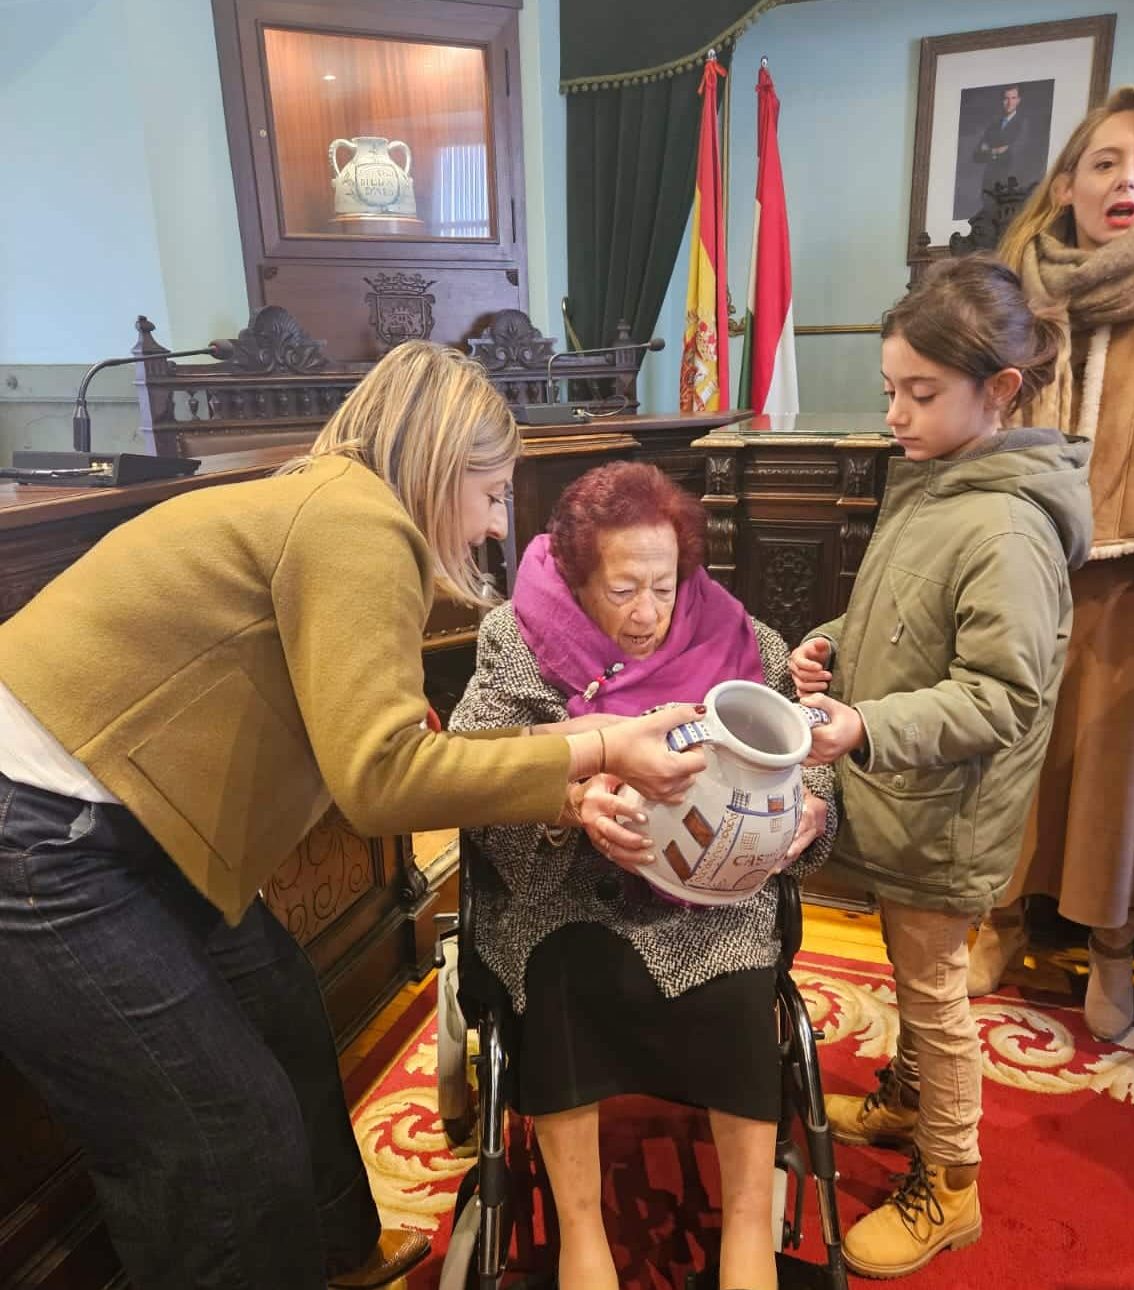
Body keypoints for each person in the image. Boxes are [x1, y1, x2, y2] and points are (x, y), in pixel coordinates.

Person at [0, 343, 707, 1290]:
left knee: (284, 1008)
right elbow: (381, 782)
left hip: (111, 815)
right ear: (439, 461)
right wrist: (603, 746)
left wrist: (568, 783)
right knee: (219, 1139)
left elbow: (381, 750)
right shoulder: (361, 524)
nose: (500, 527)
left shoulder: (331, 501)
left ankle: (336, 1256)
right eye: (494, 492)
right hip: (42, 831)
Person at [448, 461, 838, 1290]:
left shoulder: (733, 634)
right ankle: (582, 1235)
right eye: (624, 590)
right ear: (577, 575)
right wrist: (571, 807)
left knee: (740, 984)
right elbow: (471, 774)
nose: (649, 614)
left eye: (664, 586)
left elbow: (803, 740)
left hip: (711, 899)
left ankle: (744, 1238)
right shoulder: (516, 641)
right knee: (559, 977)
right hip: (572, 898)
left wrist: (810, 810)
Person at [788, 255, 1093, 1280]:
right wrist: (832, 641)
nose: (896, 414)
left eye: (920, 394)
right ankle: (908, 1101)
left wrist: (864, 724)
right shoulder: (938, 480)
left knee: (934, 991)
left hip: (946, 804)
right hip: (907, 786)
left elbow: (1001, 697)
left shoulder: (1006, 523)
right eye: (890, 392)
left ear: (1000, 389)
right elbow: (902, 615)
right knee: (909, 970)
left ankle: (949, 1185)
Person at [969, 85, 1134, 1041]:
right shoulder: (1014, 289)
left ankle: (1112, 946)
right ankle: (1001, 921)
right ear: (1068, 183)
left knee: (1120, 770)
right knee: (1006, 755)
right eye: (1107, 162)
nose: (1128, 180)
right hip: (1024, 564)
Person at [974, 84, 1030, 202]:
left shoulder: (1023, 124)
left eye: (1013, 98)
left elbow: (1015, 152)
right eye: (1006, 98)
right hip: (989, 184)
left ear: (1018, 100)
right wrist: (995, 151)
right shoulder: (993, 126)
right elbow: (977, 155)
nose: (1009, 103)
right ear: (1002, 101)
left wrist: (989, 150)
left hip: (1011, 184)